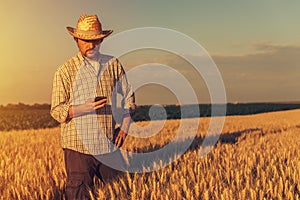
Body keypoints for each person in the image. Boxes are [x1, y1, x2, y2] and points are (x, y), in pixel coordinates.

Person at [50, 14, 136, 199]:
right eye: (85, 40)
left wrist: (125, 126)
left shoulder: (112, 65)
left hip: (108, 144)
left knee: (122, 192)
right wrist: (84, 107)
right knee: (79, 195)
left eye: (96, 40)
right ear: (76, 40)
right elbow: (57, 111)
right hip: (78, 149)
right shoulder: (65, 71)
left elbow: (129, 96)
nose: (91, 45)